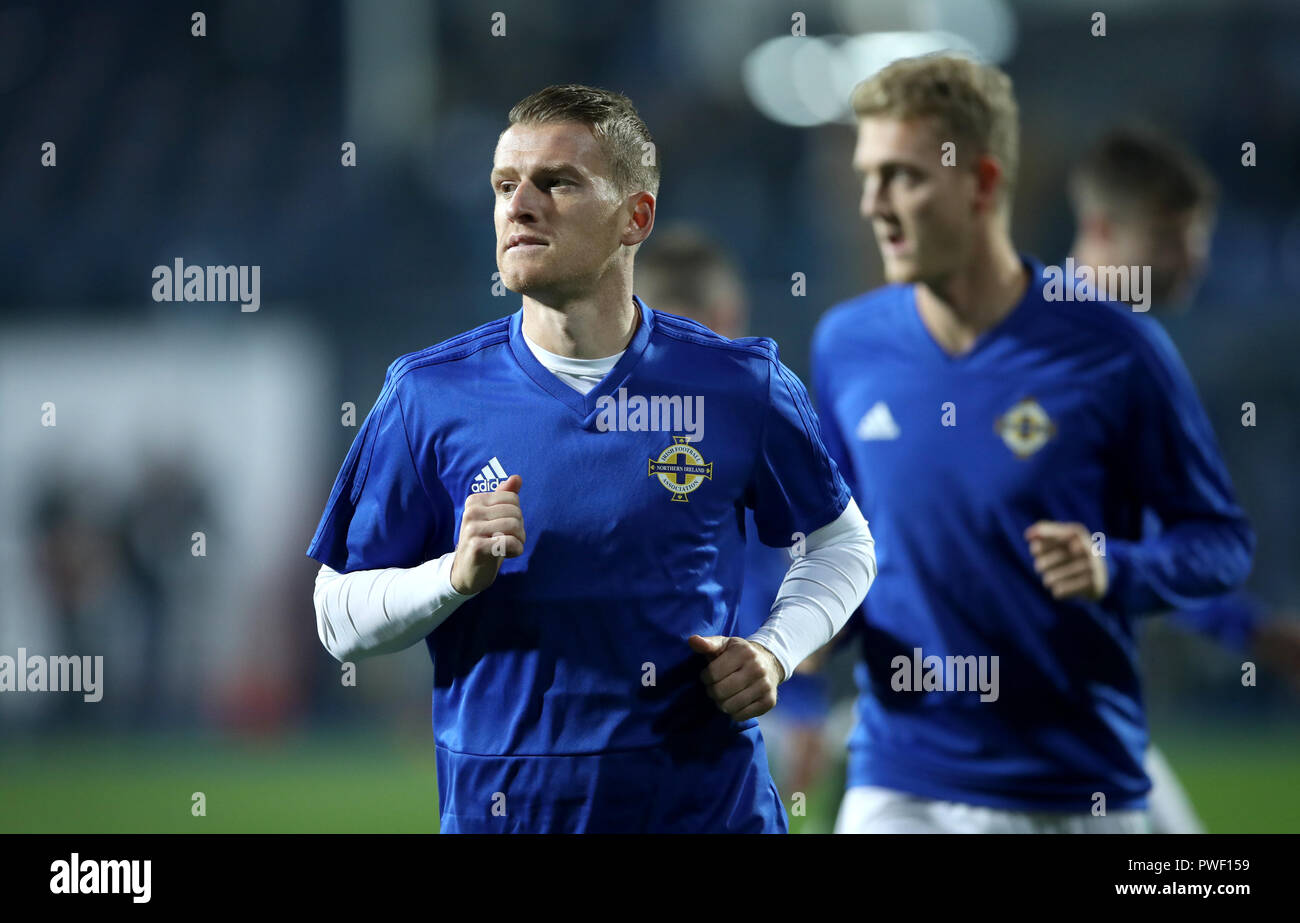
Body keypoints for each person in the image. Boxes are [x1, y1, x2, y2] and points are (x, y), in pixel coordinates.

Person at [305, 84, 876, 833]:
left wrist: (774, 649)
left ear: (635, 216)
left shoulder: (740, 385)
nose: (521, 205)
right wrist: (451, 576)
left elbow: (843, 542)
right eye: (506, 185)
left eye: (558, 183)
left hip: (706, 812)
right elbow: (336, 614)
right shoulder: (426, 395)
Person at [815, 54, 1253, 833]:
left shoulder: (1116, 350)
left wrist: (1116, 566)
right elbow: (839, 541)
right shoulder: (848, 346)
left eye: (902, 177)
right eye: (867, 176)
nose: (873, 205)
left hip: (1079, 786)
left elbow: (1218, 540)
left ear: (982, 183)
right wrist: (812, 621)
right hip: (902, 781)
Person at [1067, 126, 1300, 832]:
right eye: (1172, 238)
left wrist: (1250, 629)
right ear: (1103, 229)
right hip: (1031, 720)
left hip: (1089, 710)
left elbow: (1132, 545)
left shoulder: (1123, 350)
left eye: (1198, 237)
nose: (1194, 262)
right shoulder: (1065, 353)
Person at [637, 225, 837, 806]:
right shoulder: (775, 419)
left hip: (763, 704)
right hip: (754, 704)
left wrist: (792, 654)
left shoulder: (773, 421)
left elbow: (846, 556)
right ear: (730, 311)